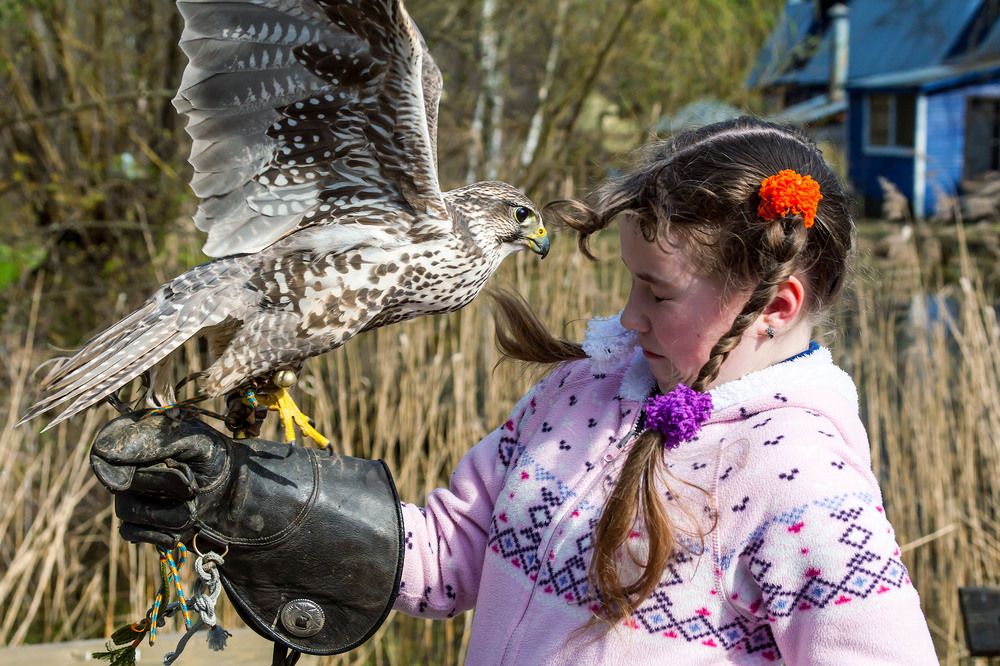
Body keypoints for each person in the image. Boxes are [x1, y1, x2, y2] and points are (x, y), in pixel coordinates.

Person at [90, 117, 938, 665]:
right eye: (629, 282)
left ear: (773, 307)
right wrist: (256, 503)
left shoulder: (803, 488)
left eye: (659, 293)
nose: (627, 314)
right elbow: (439, 559)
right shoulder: (577, 397)